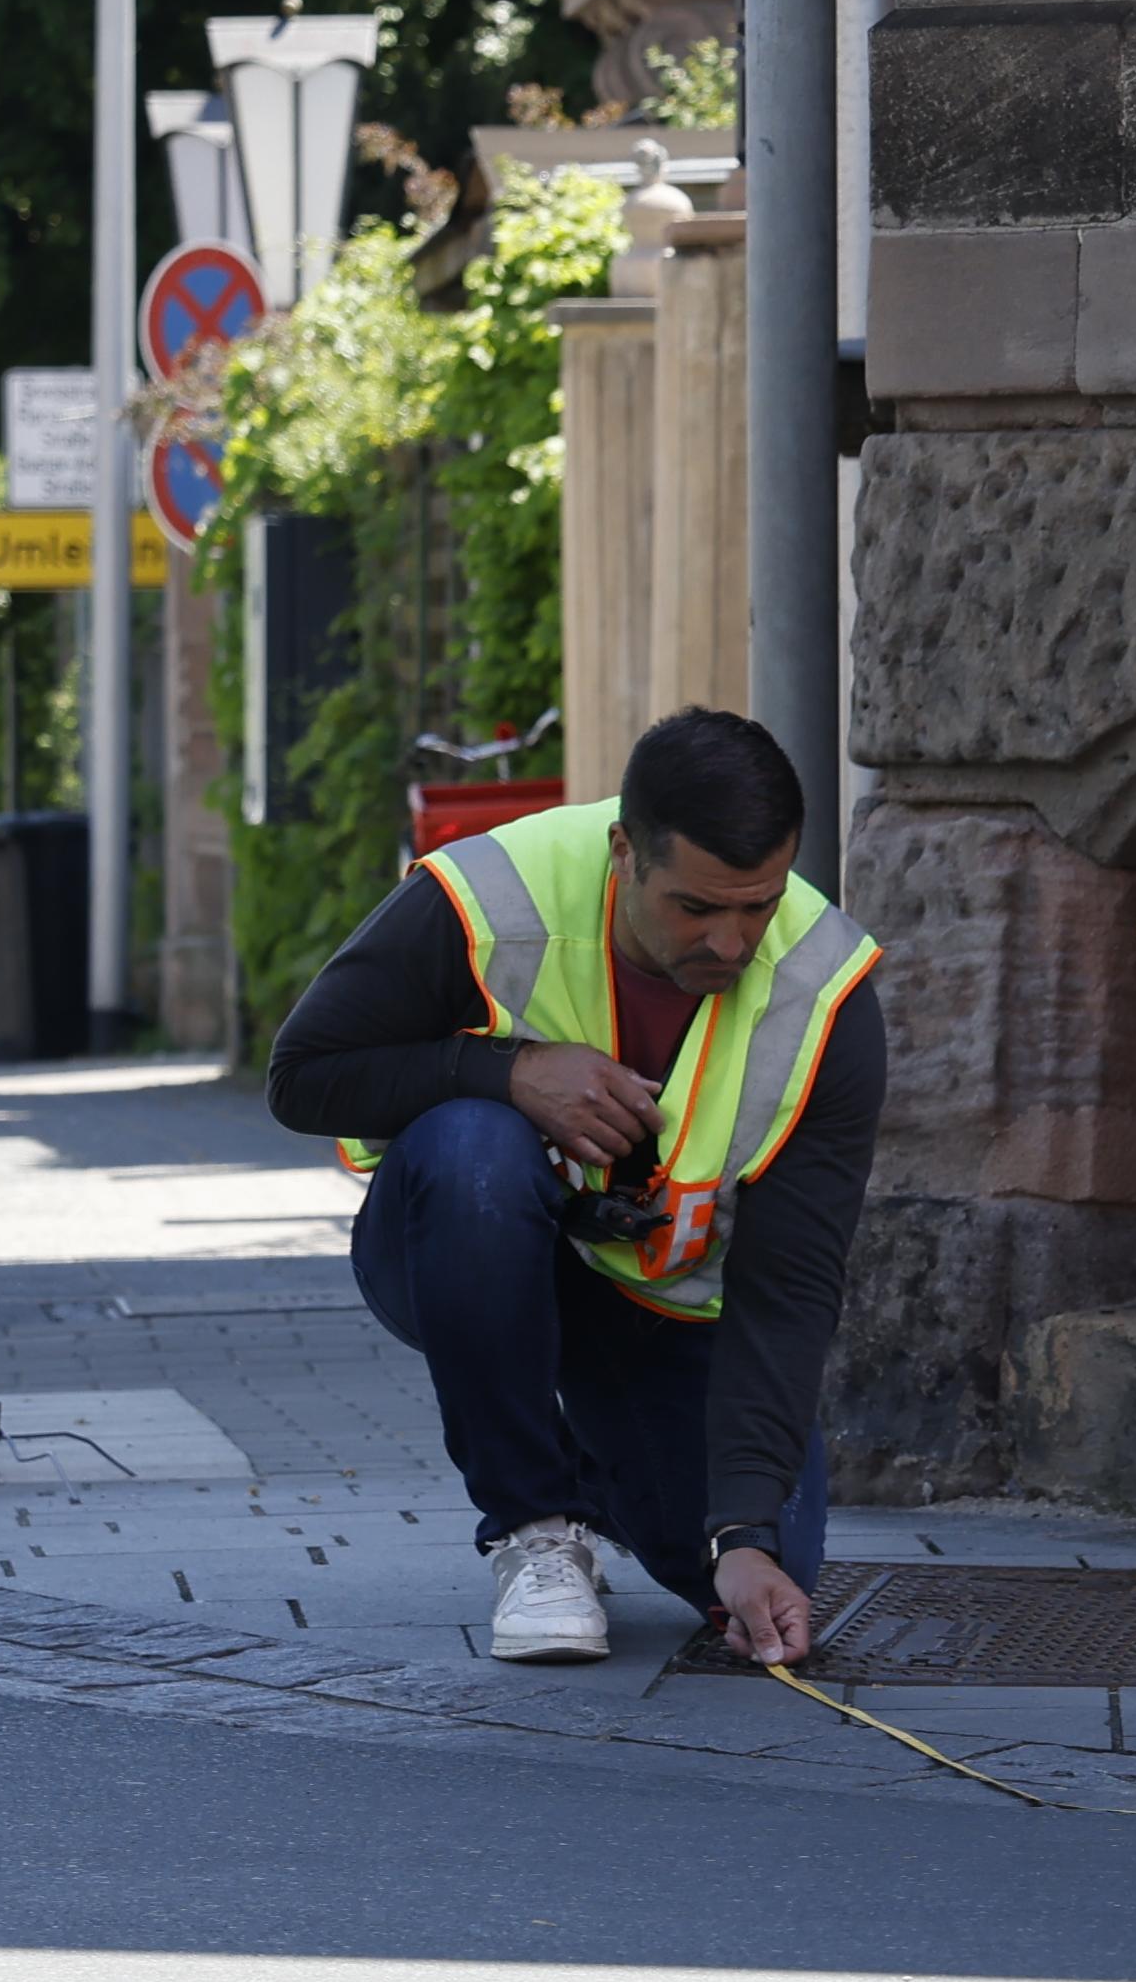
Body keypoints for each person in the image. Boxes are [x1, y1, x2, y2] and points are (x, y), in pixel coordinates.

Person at [268, 706, 882, 1670]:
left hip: (656, 1313)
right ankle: (535, 1528)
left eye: (756, 906)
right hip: (458, 1239)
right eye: (695, 907)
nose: (729, 943)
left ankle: (608, 1475)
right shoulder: (485, 895)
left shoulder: (826, 988)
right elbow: (302, 1075)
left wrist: (746, 1534)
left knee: (753, 1569)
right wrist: (504, 1074)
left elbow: (793, 1284)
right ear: (623, 852)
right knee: (473, 1148)